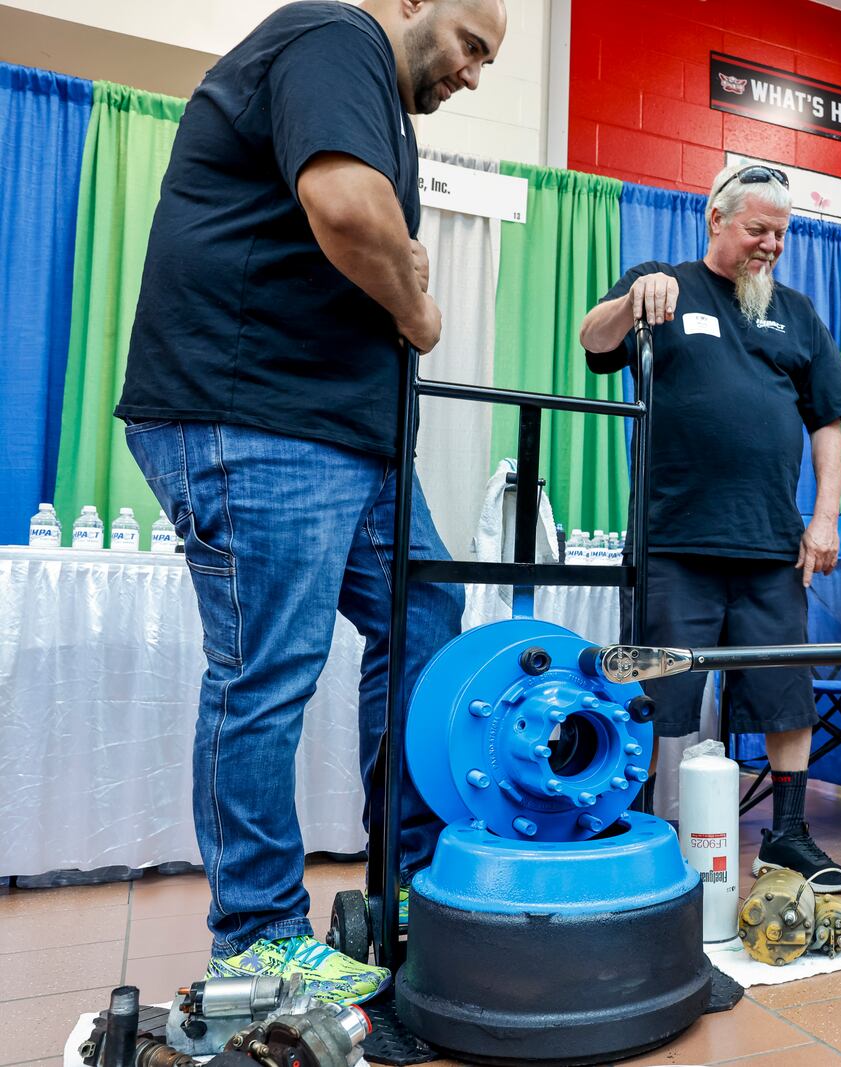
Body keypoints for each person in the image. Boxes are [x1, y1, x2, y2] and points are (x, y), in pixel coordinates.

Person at [115, 0, 507, 1003]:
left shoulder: (377, 101)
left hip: (348, 434)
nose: (475, 74)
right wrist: (417, 306)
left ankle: (408, 880)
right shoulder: (333, 36)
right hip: (255, 412)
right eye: (472, 45)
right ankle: (254, 939)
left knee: (426, 618)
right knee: (269, 668)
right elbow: (345, 210)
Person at [578, 163, 841, 892]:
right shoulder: (664, 282)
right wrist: (632, 302)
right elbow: (592, 338)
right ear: (716, 220)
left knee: (783, 692)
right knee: (656, 695)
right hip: (675, 540)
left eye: (781, 233)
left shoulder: (797, 313)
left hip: (772, 543)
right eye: (756, 229)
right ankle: (640, 830)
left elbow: (828, 423)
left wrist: (825, 517)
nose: (771, 244)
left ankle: (789, 834)